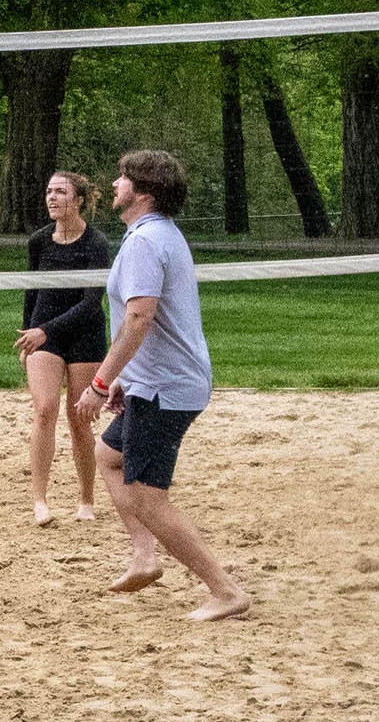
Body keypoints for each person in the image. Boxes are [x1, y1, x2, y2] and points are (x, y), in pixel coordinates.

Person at [73, 152, 250, 622]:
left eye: (123, 178)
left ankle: (225, 589)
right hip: (156, 383)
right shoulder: (154, 236)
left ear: (143, 192)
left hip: (166, 390)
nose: (114, 183)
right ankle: (144, 557)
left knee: (149, 495)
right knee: (109, 457)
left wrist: (100, 381)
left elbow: (139, 318)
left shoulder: (146, 241)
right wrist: (126, 380)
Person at [14, 171, 112, 526]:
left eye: (61, 192)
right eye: (49, 191)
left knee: (79, 419)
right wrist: (30, 332)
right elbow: (32, 289)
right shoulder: (39, 240)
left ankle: (86, 500)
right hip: (44, 335)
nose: (52, 198)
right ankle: (40, 500)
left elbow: (90, 304)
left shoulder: (96, 243)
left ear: (79, 200)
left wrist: (43, 330)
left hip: (84, 335)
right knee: (45, 410)